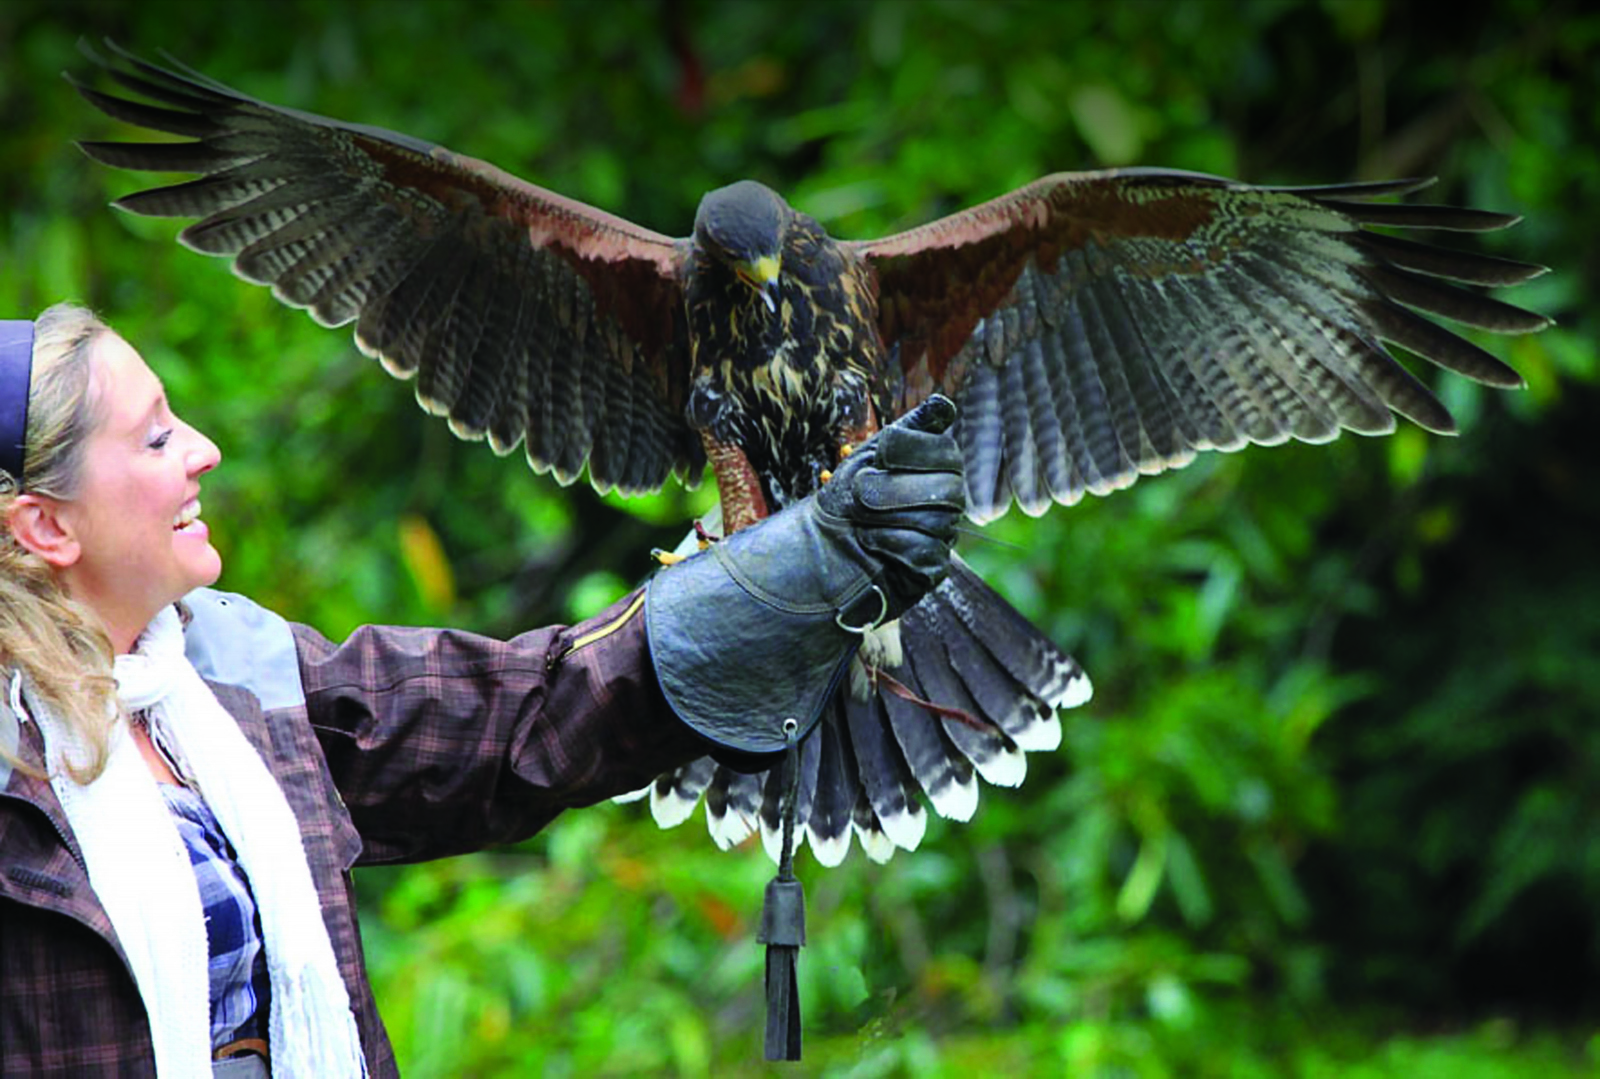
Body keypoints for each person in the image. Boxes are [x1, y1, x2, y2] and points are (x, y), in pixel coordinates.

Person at [0, 303, 965, 1078]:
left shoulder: (232, 675)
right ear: (47, 526)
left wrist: (787, 578)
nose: (203, 448)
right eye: (158, 438)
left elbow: (518, 718)